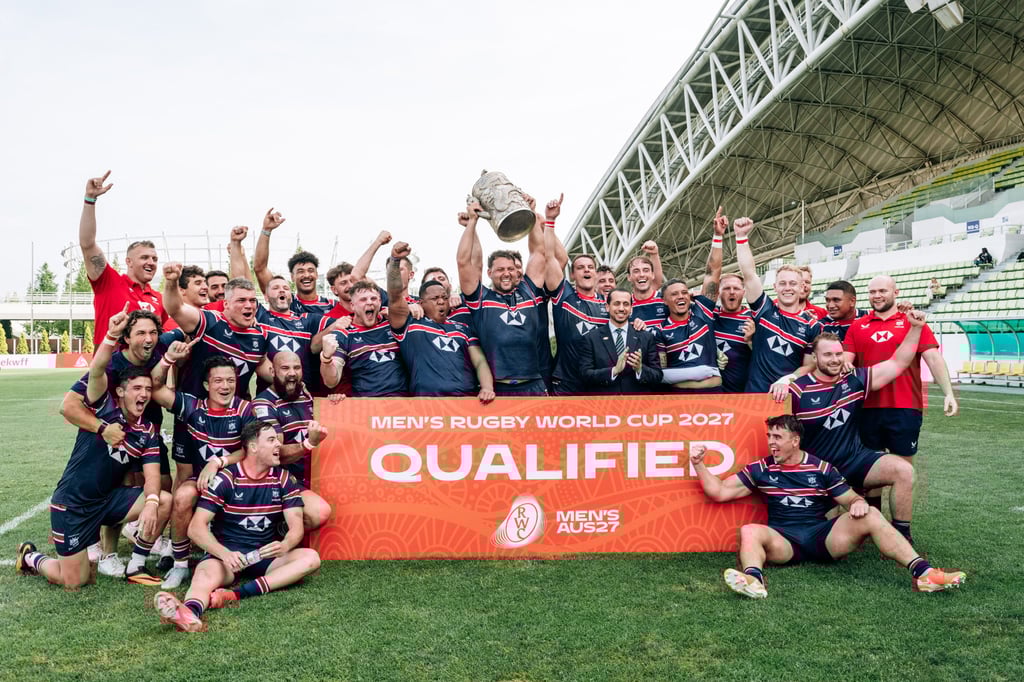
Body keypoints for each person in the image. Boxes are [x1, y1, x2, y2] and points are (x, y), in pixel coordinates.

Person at [690, 415, 966, 599]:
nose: (771, 442)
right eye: (769, 436)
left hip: (823, 538)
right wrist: (699, 464)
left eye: (777, 437)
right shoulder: (761, 469)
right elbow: (719, 492)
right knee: (750, 530)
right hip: (784, 542)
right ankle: (754, 582)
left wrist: (858, 504)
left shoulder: (821, 468)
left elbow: (850, 499)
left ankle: (924, 575)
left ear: (795, 440)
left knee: (870, 513)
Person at [16, 308, 172, 588]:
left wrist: (151, 503)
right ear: (121, 391)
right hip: (73, 504)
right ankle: (32, 558)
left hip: (108, 502)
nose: (144, 394)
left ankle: (135, 564)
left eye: (148, 389)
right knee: (75, 581)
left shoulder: (147, 431)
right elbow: (98, 369)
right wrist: (111, 335)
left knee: (164, 499)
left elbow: (151, 474)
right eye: (136, 388)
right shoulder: (103, 408)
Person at [154, 421, 321, 633]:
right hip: (228, 556)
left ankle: (236, 594)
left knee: (311, 558)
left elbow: (296, 526)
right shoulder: (227, 478)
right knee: (204, 575)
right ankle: (188, 613)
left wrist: (286, 544)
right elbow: (196, 528)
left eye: (277, 441)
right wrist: (224, 554)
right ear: (252, 447)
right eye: (271, 440)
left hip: (264, 555)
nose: (278, 445)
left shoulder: (284, 479)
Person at [60, 309, 182, 567]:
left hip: (147, 433)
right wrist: (103, 428)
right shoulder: (113, 365)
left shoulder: (158, 350)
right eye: (140, 333)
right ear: (126, 338)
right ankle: (106, 549)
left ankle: (138, 540)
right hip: (114, 432)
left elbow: (160, 379)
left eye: (152, 333)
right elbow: (70, 404)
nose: (148, 338)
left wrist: (169, 359)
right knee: (116, 481)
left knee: (162, 485)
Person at [789, 319, 927, 541]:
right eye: (827, 355)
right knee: (827, 538)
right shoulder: (796, 390)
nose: (834, 360)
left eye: (838, 354)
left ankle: (901, 534)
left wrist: (916, 328)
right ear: (815, 357)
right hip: (820, 472)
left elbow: (898, 362)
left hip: (855, 460)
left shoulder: (854, 379)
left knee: (904, 471)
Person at [843, 275, 958, 509]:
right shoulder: (858, 325)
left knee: (904, 471)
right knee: (869, 472)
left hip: (905, 407)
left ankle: (901, 530)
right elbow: (846, 361)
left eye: (882, 291)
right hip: (866, 409)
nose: (877, 295)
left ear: (896, 292)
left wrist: (949, 392)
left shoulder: (912, 322)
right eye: (872, 291)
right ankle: (871, 523)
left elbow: (933, 358)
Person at [150, 349, 256, 589]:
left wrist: (218, 462)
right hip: (200, 481)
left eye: (230, 380)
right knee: (183, 495)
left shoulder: (245, 409)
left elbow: (250, 449)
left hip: (235, 481)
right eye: (218, 380)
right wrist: (168, 360)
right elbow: (155, 388)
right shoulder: (192, 406)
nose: (225, 386)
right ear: (207, 384)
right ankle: (180, 565)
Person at [457, 200, 549, 396]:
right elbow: (464, 262)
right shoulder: (480, 298)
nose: (506, 274)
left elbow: (539, 253)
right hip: (497, 389)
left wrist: (530, 212)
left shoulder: (529, 292)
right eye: (500, 270)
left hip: (533, 384)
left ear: (517, 273)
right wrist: (472, 222)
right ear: (490, 273)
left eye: (510, 269)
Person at [385, 242, 495, 401]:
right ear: (421, 303)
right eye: (435, 298)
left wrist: (487, 387)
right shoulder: (409, 325)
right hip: (427, 404)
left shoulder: (462, 328)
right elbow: (395, 295)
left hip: (466, 401)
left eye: (444, 297)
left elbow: (479, 361)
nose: (441, 301)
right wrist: (395, 260)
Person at [78, 170, 167, 344]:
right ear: (129, 261)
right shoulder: (109, 282)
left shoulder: (160, 298)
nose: (151, 262)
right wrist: (90, 200)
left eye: (155, 259)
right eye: (145, 257)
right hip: (109, 368)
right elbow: (87, 243)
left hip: (145, 370)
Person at [734, 218, 821, 394]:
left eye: (792, 283)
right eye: (782, 283)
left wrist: (786, 380)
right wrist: (741, 237)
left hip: (788, 398)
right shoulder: (764, 311)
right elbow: (749, 274)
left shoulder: (812, 325)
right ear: (775, 287)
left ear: (801, 287)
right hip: (755, 395)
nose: (787, 288)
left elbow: (810, 365)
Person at [162, 263, 270, 401]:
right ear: (226, 304)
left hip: (234, 415)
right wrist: (171, 282)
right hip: (195, 413)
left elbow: (263, 365)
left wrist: (289, 375)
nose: (248, 305)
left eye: (252, 300)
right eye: (241, 300)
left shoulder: (260, 334)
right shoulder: (210, 321)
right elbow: (176, 309)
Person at [251, 352, 334, 529]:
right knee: (319, 513)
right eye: (285, 368)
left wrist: (335, 403)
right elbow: (275, 453)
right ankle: (274, 529)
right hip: (283, 481)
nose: (292, 373)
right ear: (272, 371)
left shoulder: (305, 395)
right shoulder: (263, 404)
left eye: (296, 368)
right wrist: (308, 444)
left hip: (318, 475)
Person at [656, 209, 729, 392]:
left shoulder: (702, 311)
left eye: (684, 292)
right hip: (679, 399)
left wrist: (718, 237)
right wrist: (702, 375)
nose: (680, 296)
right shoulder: (661, 330)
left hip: (712, 396)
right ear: (665, 301)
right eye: (674, 294)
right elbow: (661, 373)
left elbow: (713, 271)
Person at [321, 281, 408, 397]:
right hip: (368, 406)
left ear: (380, 302)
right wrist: (326, 358)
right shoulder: (344, 333)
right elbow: (331, 382)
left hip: (402, 403)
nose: (369, 302)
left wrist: (410, 308)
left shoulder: (393, 324)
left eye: (373, 298)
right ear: (352, 305)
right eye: (363, 299)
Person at [579, 288, 663, 393]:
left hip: (638, 404)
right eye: (617, 304)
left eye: (626, 304)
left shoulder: (646, 337)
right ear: (607, 307)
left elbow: (658, 375)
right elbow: (584, 375)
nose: (621, 308)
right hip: (605, 405)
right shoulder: (591, 338)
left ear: (631, 309)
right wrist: (613, 371)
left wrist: (640, 369)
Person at [253, 208, 334, 315]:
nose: (306, 275)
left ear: (316, 275)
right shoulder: (285, 300)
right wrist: (266, 230)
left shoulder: (332, 305)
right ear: (292, 277)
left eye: (310, 270)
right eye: (300, 271)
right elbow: (260, 269)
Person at [713, 273, 754, 393]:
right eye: (726, 288)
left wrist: (750, 341)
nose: (731, 292)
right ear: (719, 292)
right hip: (712, 393)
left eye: (736, 288)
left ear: (743, 292)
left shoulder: (752, 319)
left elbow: (764, 358)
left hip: (742, 393)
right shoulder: (709, 315)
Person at [626, 244, 667, 330]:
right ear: (629, 277)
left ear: (652, 275)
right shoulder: (624, 305)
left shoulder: (666, 301)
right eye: (636, 271)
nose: (641, 275)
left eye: (646, 270)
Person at [162, 265, 209, 331]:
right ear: (181, 290)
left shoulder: (212, 314)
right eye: (198, 283)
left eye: (205, 283)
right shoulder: (173, 325)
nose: (205, 287)